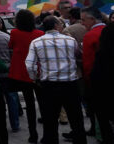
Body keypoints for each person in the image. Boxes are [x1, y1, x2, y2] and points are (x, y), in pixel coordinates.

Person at [25, 16, 86, 144]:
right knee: (76, 119)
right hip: (70, 84)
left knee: (50, 121)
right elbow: (79, 56)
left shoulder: (36, 42)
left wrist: (35, 78)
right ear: (56, 26)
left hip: (49, 85)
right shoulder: (70, 40)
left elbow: (29, 64)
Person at [8, 9, 43, 143]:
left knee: (29, 105)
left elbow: (10, 45)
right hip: (38, 72)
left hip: (22, 73)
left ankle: (32, 134)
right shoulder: (40, 33)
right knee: (42, 103)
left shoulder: (15, 33)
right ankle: (47, 132)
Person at [80, 7, 106, 135]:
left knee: (99, 111)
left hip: (96, 80)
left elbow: (88, 63)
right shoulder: (110, 30)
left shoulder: (90, 35)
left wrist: (87, 81)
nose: (82, 23)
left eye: (84, 20)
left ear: (92, 19)